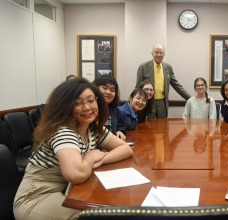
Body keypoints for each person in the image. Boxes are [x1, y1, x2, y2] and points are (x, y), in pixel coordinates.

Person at [13, 78, 133, 220]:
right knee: (95, 215)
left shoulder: (93, 128)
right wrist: (90, 158)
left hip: (66, 190)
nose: (87, 107)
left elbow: (125, 149)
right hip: (35, 198)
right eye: (77, 103)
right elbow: (76, 174)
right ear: (65, 107)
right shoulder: (63, 131)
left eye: (90, 100)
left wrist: (99, 160)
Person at [135, 43, 191, 118]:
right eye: (156, 52)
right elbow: (138, 87)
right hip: (148, 101)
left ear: (164, 54)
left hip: (162, 102)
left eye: (161, 52)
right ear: (152, 53)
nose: (158, 55)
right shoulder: (143, 67)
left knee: (162, 125)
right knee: (148, 125)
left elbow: (176, 85)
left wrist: (190, 98)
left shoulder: (168, 67)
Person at [93, 75, 126, 141]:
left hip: (111, 146)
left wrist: (120, 131)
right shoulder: (90, 110)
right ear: (95, 88)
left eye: (112, 90)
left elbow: (121, 126)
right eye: (105, 88)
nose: (108, 92)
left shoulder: (116, 111)